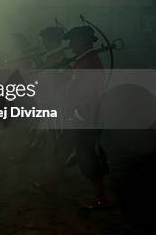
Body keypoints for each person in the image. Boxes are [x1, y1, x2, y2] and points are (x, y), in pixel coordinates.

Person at [34, 26, 110, 209]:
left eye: (74, 41)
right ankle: (51, 185)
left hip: (85, 117)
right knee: (62, 151)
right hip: (77, 115)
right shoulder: (82, 60)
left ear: (84, 41)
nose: (71, 45)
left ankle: (102, 199)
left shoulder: (89, 62)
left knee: (87, 159)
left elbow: (87, 92)